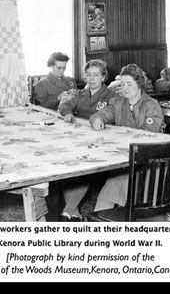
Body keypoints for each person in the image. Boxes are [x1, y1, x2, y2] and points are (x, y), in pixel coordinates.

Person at [89, 64, 165, 211]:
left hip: (147, 162)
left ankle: (101, 219)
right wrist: (98, 119)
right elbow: (102, 114)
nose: (125, 88)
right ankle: (100, 220)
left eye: (129, 84)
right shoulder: (118, 102)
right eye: (122, 84)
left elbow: (149, 135)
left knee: (115, 183)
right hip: (124, 158)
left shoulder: (151, 105)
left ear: (139, 84)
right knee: (113, 181)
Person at [57, 59, 115, 221]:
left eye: (96, 75)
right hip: (79, 139)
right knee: (64, 165)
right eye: (88, 75)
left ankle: (67, 212)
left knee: (85, 169)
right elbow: (65, 105)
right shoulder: (81, 93)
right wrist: (67, 113)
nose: (91, 79)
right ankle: (74, 212)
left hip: (101, 141)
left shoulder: (111, 95)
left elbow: (112, 112)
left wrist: (101, 119)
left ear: (103, 77)